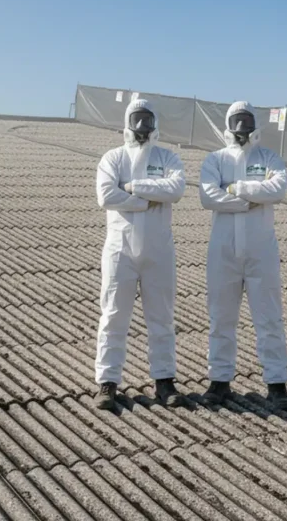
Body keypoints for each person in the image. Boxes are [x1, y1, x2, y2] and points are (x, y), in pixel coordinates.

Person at [198, 101, 287, 411]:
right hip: (223, 251)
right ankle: (219, 380)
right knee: (220, 318)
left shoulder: (269, 158)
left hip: (261, 251)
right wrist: (249, 199)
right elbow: (207, 196)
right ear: (227, 123)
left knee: (269, 318)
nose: (241, 128)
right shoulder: (215, 159)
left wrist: (233, 188)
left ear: (255, 124)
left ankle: (276, 383)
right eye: (236, 121)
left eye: (246, 121)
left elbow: (277, 189)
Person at [94, 98, 187, 410]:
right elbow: (106, 195)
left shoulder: (168, 157)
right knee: (113, 316)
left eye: (147, 119)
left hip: (158, 251)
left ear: (155, 122)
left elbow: (175, 189)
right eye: (137, 118)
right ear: (127, 121)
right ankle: (107, 382)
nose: (142, 126)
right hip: (119, 250)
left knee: (162, 317)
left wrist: (132, 187)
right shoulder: (113, 158)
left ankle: (164, 380)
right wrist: (148, 199)